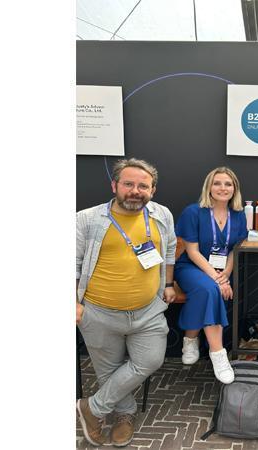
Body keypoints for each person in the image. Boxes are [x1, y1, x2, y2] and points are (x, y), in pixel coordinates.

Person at [75, 158, 177, 447]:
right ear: (114, 186)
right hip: (98, 312)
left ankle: (92, 408)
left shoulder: (162, 215)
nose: (135, 191)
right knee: (109, 370)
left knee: (150, 360)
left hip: (148, 311)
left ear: (152, 190)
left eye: (143, 186)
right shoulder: (87, 219)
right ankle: (125, 414)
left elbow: (169, 250)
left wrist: (168, 284)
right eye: (128, 184)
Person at [174, 167, 248, 384]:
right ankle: (218, 354)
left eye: (228, 184)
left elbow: (235, 249)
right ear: (209, 187)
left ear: (234, 189)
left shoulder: (238, 215)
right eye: (217, 183)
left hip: (220, 271)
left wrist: (226, 273)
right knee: (211, 288)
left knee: (208, 291)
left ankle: (190, 339)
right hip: (190, 267)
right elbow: (192, 251)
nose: (222, 188)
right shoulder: (193, 212)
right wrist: (217, 279)